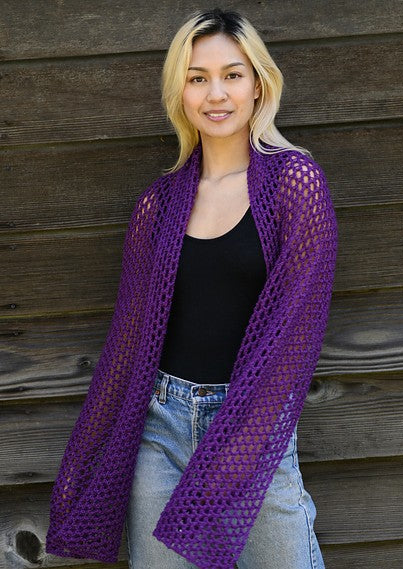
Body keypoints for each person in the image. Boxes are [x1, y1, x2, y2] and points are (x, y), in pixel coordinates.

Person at [45, 8, 338, 569]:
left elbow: (297, 332)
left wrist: (238, 449)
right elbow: (128, 343)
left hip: (254, 429)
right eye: (197, 77)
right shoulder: (157, 206)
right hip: (161, 429)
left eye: (232, 75)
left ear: (258, 84)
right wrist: (85, 461)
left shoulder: (295, 185)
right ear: (180, 93)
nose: (216, 94)